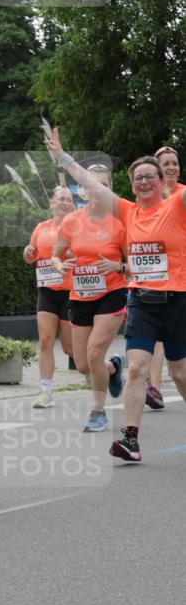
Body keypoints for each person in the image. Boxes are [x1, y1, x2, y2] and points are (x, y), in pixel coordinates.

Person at [45, 128, 186, 462]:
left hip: (177, 300)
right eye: (138, 178)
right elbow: (91, 183)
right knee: (137, 368)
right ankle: (130, 439)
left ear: (162, 181)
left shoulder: (177, 206)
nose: (144, 182)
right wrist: (62, 156)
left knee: (179, 373)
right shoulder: (126, 211)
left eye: (151, 176)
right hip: (140, 302)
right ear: (132, 183)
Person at [50, 165, 126, 431]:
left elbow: (133, 260)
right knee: (83, 364)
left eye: (103, 184)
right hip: (80, 294)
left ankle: (98, 411)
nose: (98, 189)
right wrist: (59, 265)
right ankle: (114, 368)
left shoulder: (120, 221)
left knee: (94, 352)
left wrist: (118, 267)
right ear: (83, 189)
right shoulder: (72, 221)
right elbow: (56, 254)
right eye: (93, 184)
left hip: (112, 293)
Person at [23, 185, 75, 408]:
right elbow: (31, 255)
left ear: (72, 204)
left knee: (71, 348)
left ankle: (106, 369)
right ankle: (45, 391)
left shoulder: (77, 227)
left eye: (67, 199)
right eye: (60, 198)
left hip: (70, 291)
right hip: (46, 291)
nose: (63, 202)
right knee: (45, 341)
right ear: (52, 203)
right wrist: (27, 253)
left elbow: (86, 252)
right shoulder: (41, 228)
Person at [145, 145, 185, 409]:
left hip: (182, 272)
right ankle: (154, 388)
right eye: (166, 163)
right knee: (157, 335)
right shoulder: (150, 196)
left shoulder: (182, 194)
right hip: (157, 275)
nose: (171, 167)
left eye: (175, 162)